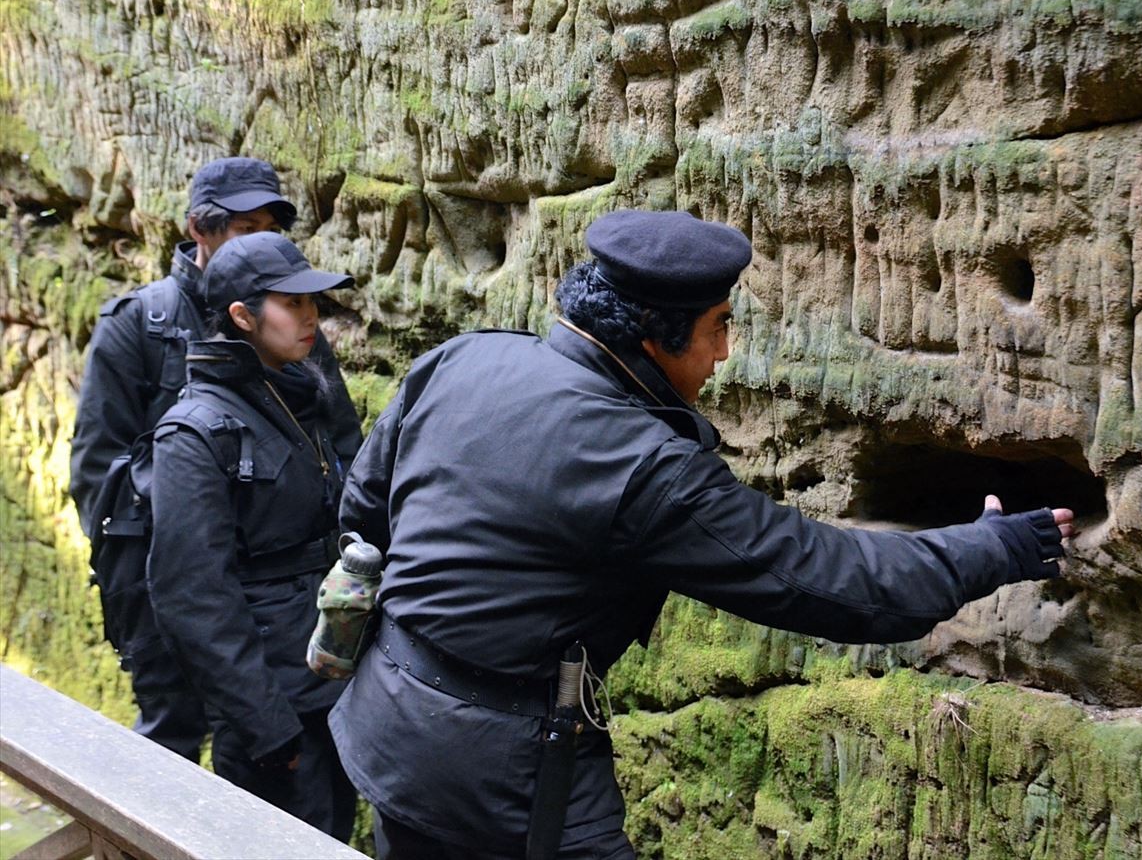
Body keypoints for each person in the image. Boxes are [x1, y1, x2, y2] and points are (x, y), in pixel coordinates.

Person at [330, 209, 1075, 860]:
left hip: (386, 719)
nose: (724, 354)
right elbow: (816, 576)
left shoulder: (463, 358)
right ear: (655, 338)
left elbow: (364, 511)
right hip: (505, 772)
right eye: (718, 328)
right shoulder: (643, 465)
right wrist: (996, 548)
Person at [69, 156, 361, 762]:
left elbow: (338, 442)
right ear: (199, 230)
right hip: (169, 576)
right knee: (172, 742)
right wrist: (143, 583)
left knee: (267, 746)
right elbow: (97, 471)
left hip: (272, 597)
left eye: (271, 229)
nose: (259, 242)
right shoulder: (139, 325)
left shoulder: (290, 324)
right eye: (243, 227)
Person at [144, 231, 359, 839]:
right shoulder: (194, 434)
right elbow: (193, 596)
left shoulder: (304, 387)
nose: (311, 315)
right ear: (242, 316)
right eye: (292, 303)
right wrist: (267, 727)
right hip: (273, 711)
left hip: (333, 683)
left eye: (312, 300)